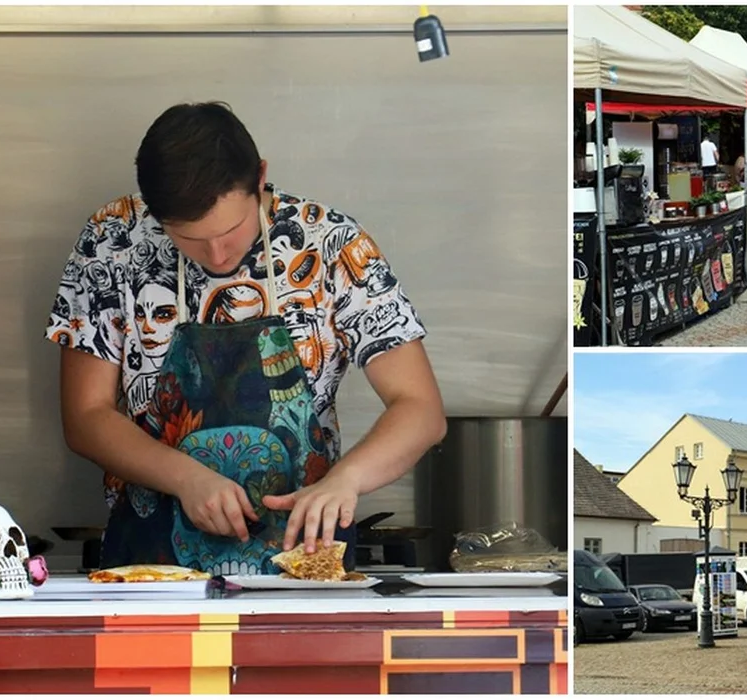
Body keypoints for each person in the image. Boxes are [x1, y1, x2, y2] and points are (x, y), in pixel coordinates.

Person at [45, 102, 447, 574]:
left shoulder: (329, 243)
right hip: (153, 566)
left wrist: (347, 480)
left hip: (303, 557)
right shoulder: (112, 241)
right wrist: (185, 478)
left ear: (260, 178)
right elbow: (85, 415)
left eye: (231, 230)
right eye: (188, 237)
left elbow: (420, 409)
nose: (216, 254)